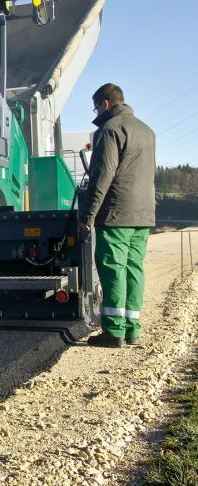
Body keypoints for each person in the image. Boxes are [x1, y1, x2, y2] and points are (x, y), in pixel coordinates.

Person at [79, 83, 156, 347]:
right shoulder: (147, 131)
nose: (96, 111)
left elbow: (102, 176)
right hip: (143, 214)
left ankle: (114, 332)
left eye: (96, 106)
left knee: (113, 269)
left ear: (105, 104)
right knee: (135, 269)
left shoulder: (109, 130)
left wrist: (88, 215)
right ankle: (133, 330)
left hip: (116, 213)